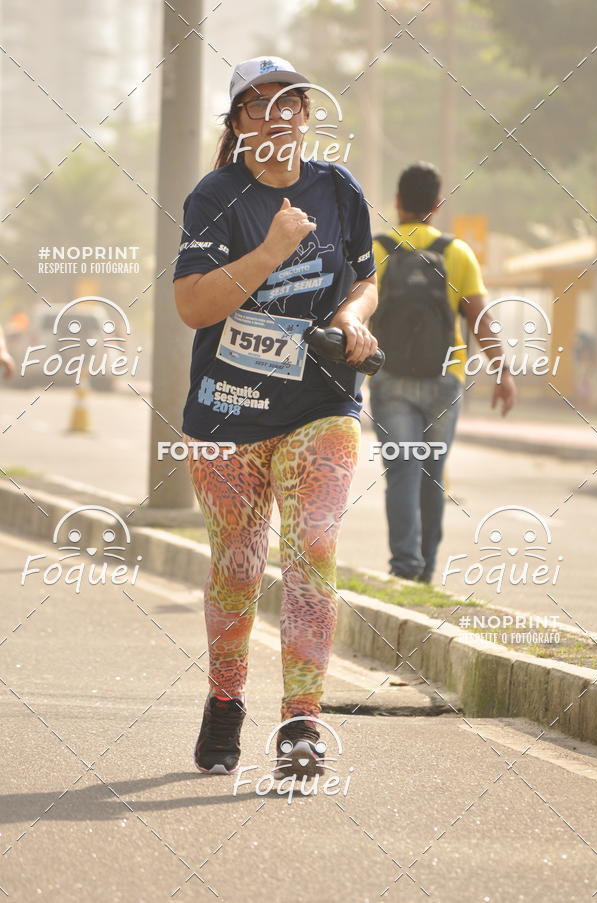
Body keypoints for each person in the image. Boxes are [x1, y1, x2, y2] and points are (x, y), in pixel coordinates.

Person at [172, 56, 379, 778]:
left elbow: (364, 278)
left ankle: (301, 722)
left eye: (290, 101)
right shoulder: (215, 197)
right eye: (257, 106)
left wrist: (354, 317)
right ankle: (226, 699)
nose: (277, 115)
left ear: (306, 115)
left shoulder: (338, 188)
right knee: (237, 564)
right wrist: (270, 250)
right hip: (227, 412)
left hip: (320, 400)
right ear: (237, 125)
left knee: (313, 548)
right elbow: (194, 306)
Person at [369, 162, 517, 582]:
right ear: (437, 205)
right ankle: (425, 572)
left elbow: (358, 315)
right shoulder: (456, 252)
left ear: (396, 202)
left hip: (389, 378)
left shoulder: (377, 249)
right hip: (444, 379)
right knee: (432, 475)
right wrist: (502, 373)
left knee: (401, 471)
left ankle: (404, 567)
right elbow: (480, 319)